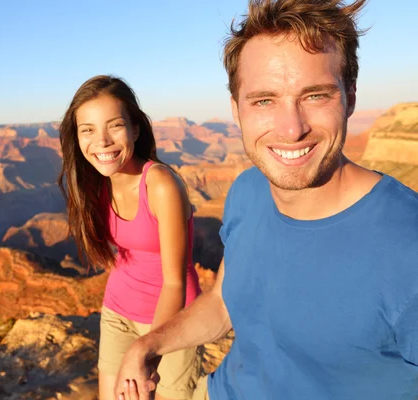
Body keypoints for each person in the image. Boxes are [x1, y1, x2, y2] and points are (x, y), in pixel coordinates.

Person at [113, 0, 418, 399]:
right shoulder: (247, 190)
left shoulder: (406, 247)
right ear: (236, 110)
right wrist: (147, 346)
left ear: (351, 97)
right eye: (264, 100)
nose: (292, 129)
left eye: (315, 96)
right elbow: (224, 302)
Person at [57, 75, 203, 400]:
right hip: (118, 310)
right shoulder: (95, 183)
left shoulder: (161, 185)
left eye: (115, 126)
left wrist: (148, 351)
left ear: (135, 129)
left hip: (174, 320)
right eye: (88, 130)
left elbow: (175, 283)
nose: (103, 141)